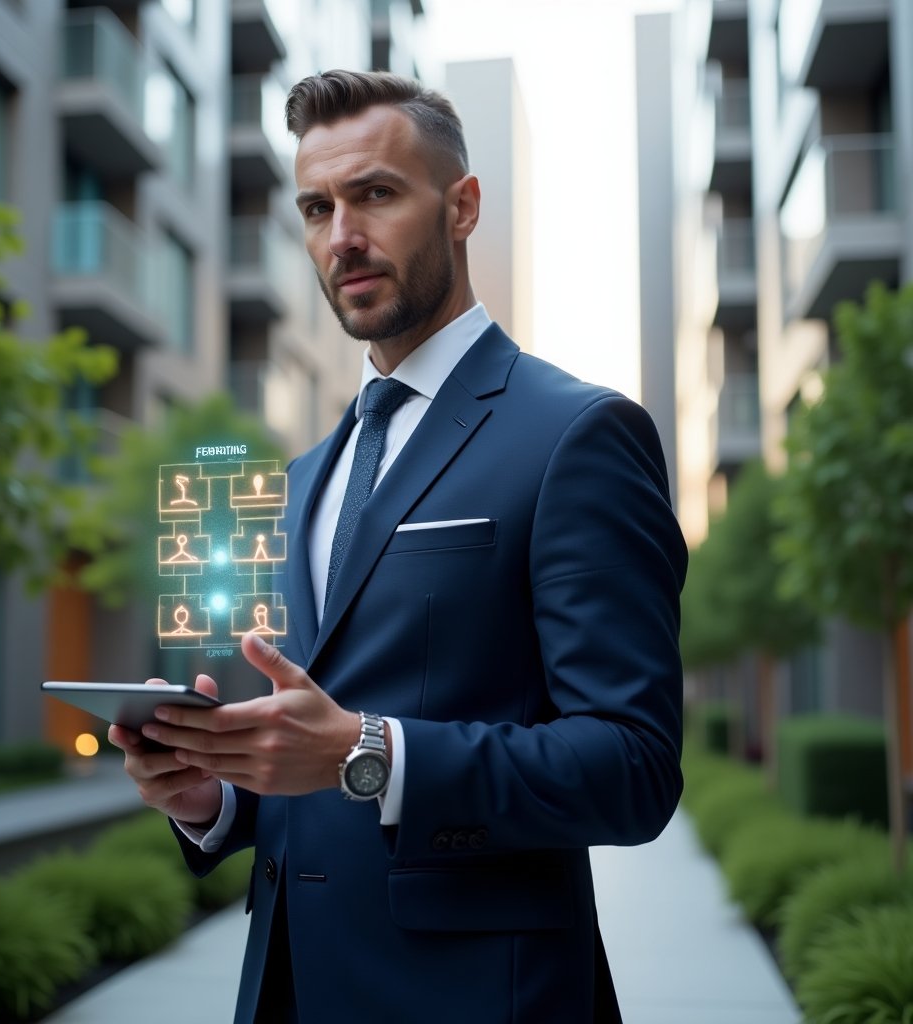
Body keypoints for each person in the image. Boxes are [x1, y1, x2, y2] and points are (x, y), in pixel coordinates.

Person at [110, 69, 688, 1023]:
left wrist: (365, 753)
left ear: (461, 208)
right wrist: (212, 794)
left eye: (375, 193)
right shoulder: (303, 480)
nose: (341, 237)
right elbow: (310, 761)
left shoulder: (577, 435)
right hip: (290, 992)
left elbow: (631, 769)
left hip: (480, 1001)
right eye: (316, 206)